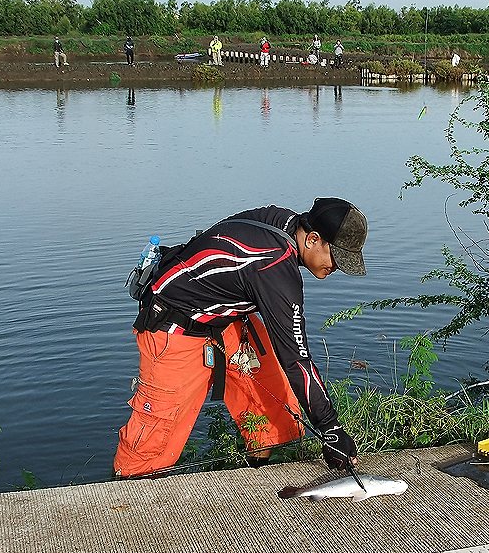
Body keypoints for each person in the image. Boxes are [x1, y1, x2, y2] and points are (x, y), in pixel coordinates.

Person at [113, 198, 368, 478]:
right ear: (312, 239)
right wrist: (331, 429)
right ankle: (124, 500)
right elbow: (297, 358)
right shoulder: (273, 269)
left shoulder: (283, 221)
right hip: (173, 327)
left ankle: (255, 479)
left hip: (224, 320)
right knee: (154, 442)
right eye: (336, 257)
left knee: (275, 409)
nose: (337, 267)